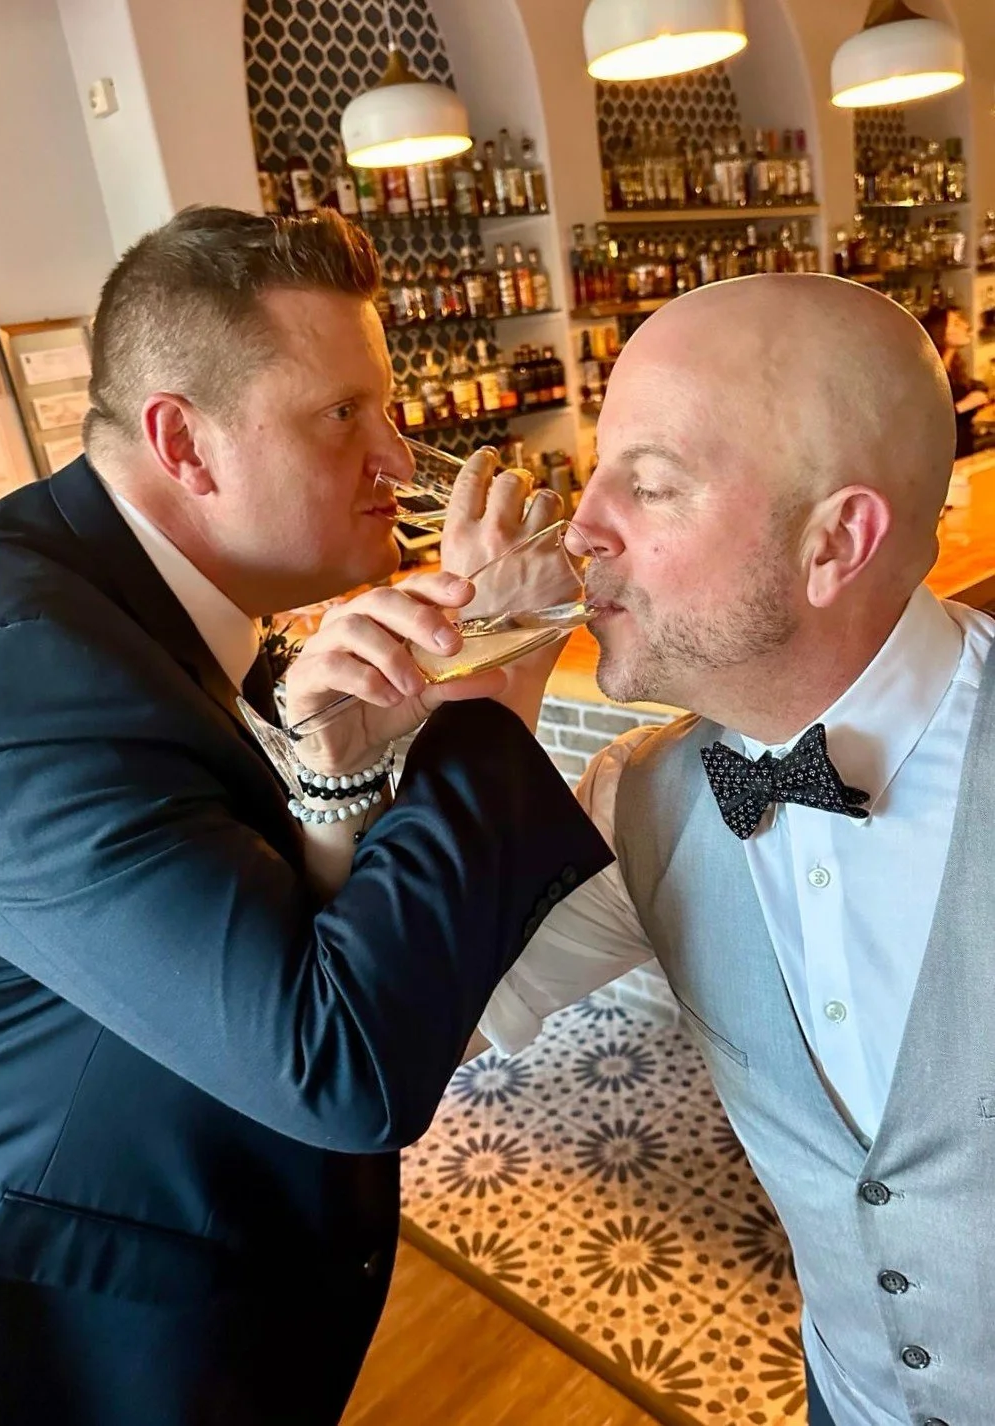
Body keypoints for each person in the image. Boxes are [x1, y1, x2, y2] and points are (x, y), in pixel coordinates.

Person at [0, 207, 611, 1426]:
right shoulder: (20, 677)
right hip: (88, 1331)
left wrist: (335, 787)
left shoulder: (140, 598)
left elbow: (266, 914)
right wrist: (498, 668)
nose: (398, 460)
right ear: (184, 442)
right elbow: (340, 1063)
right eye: (341, 416)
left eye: (389, 409)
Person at [478, 273, 992, 1426]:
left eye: (649, 484)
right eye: (595, 472)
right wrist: (441, 737)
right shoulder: (645, 801)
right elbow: (413, 1025)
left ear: (835, 541)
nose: (580, 530)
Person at [920, 303, 990, 459]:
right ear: (941, 333)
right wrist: (963, 406)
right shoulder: (928, 376)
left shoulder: (953, 369)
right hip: (943, 457)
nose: (966, 326)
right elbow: (928, 423)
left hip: (963, 450)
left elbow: (976, 386)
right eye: (957, 323)